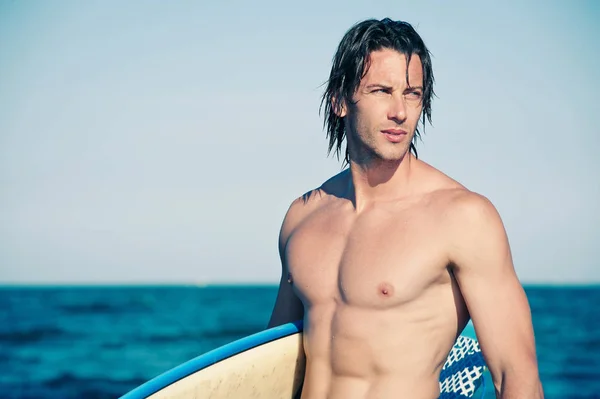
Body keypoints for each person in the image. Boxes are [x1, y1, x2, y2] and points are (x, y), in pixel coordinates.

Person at [268, 18, 544, 399]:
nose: (400, 111)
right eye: (382, 90)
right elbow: (272, 367)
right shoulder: (302, 217)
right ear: (340, 100)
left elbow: (518, 379)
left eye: (412, 93)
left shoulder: (462, 218)